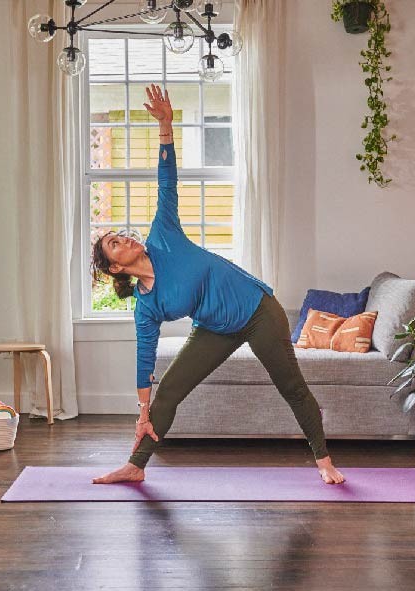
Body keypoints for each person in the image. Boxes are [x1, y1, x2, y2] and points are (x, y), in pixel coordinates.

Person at [90, 84, 345, 486]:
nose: (124, 239)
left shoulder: (163, 235)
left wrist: (166, 128)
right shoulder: (146, 306)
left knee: (291, 386)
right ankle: (136, 466)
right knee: (170, 388)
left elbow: (166, 181)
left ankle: (325, 461)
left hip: (258, 311)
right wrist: (143, 410)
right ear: (116, 269)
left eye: (120, 235)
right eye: (114, 245)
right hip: (215, 328)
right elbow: (144, 357)